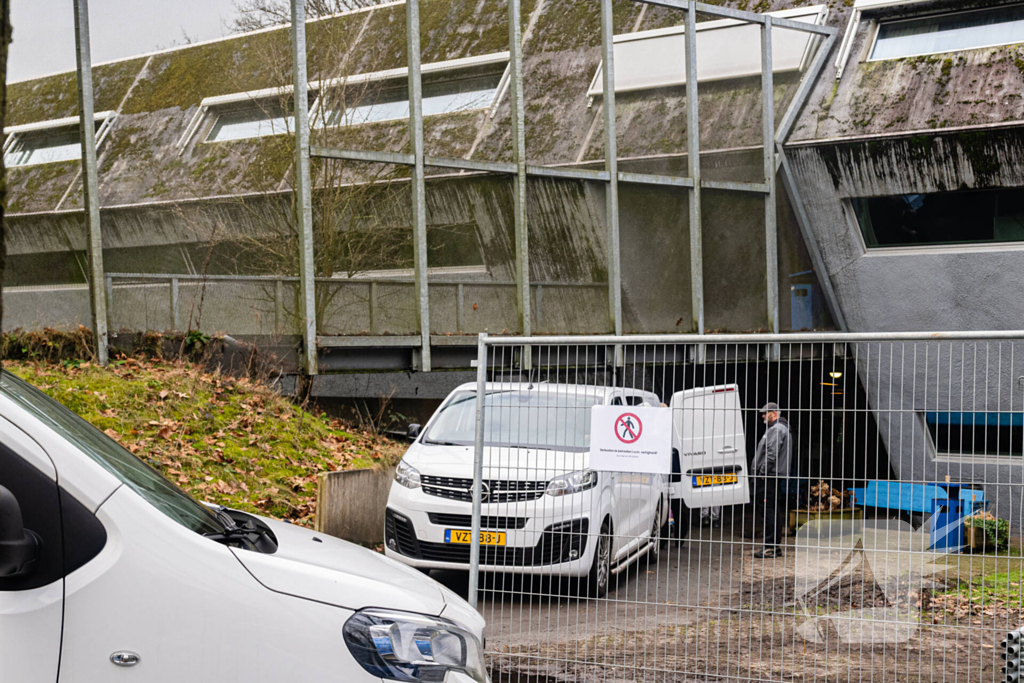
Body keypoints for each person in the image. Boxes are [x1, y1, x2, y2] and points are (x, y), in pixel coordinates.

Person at [752, 402, 791, 558]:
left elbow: (771, 454)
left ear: (773, 413)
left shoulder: (776, 429)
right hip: (773, 476)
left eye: (764, 413)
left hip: (769, 476)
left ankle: (770, 547)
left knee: (769, 511)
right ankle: (774, 546)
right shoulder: (781, 428)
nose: (762, 415)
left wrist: (762, 472)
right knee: (774, 510)